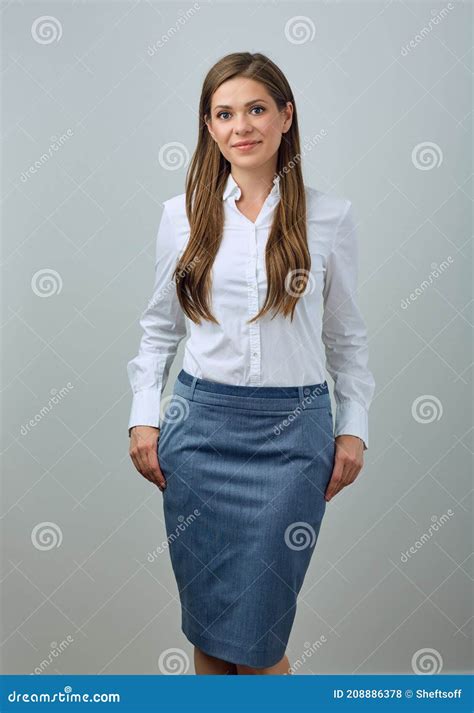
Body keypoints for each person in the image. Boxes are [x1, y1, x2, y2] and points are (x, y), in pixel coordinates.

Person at [127, 52, 375, 675]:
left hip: (294, 438)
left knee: (259, 640)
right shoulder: (181, 217)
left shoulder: (330, 217)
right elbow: (160, 327)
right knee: (210, 636)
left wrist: (354, 427)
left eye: (257, 109)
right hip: (200, 434)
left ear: (286, 117)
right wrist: (143, 418)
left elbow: (346, 338)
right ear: (209, 128)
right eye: (225, 113)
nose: (243, 125)